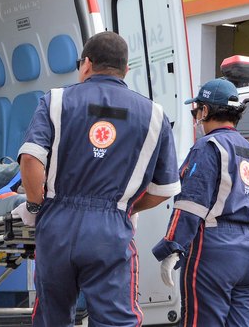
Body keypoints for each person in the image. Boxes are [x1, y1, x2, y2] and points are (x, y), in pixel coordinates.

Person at [12, 31, 181, 326]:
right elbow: (164, 189)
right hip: (110, 228)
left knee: (52, 317)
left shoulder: (55, 101)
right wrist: (127, 206)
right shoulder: (155, 115)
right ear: (126, 70)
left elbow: (30, 158)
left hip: (56, 224)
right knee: (116, 319)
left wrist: (37, 204)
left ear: (86, 64)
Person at [152, 77, 249, 326]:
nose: (196, 117)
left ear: (205, 110)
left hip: (217, 251)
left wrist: (171, 247)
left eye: (196, 110)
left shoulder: (207, 147)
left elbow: (190, 206)